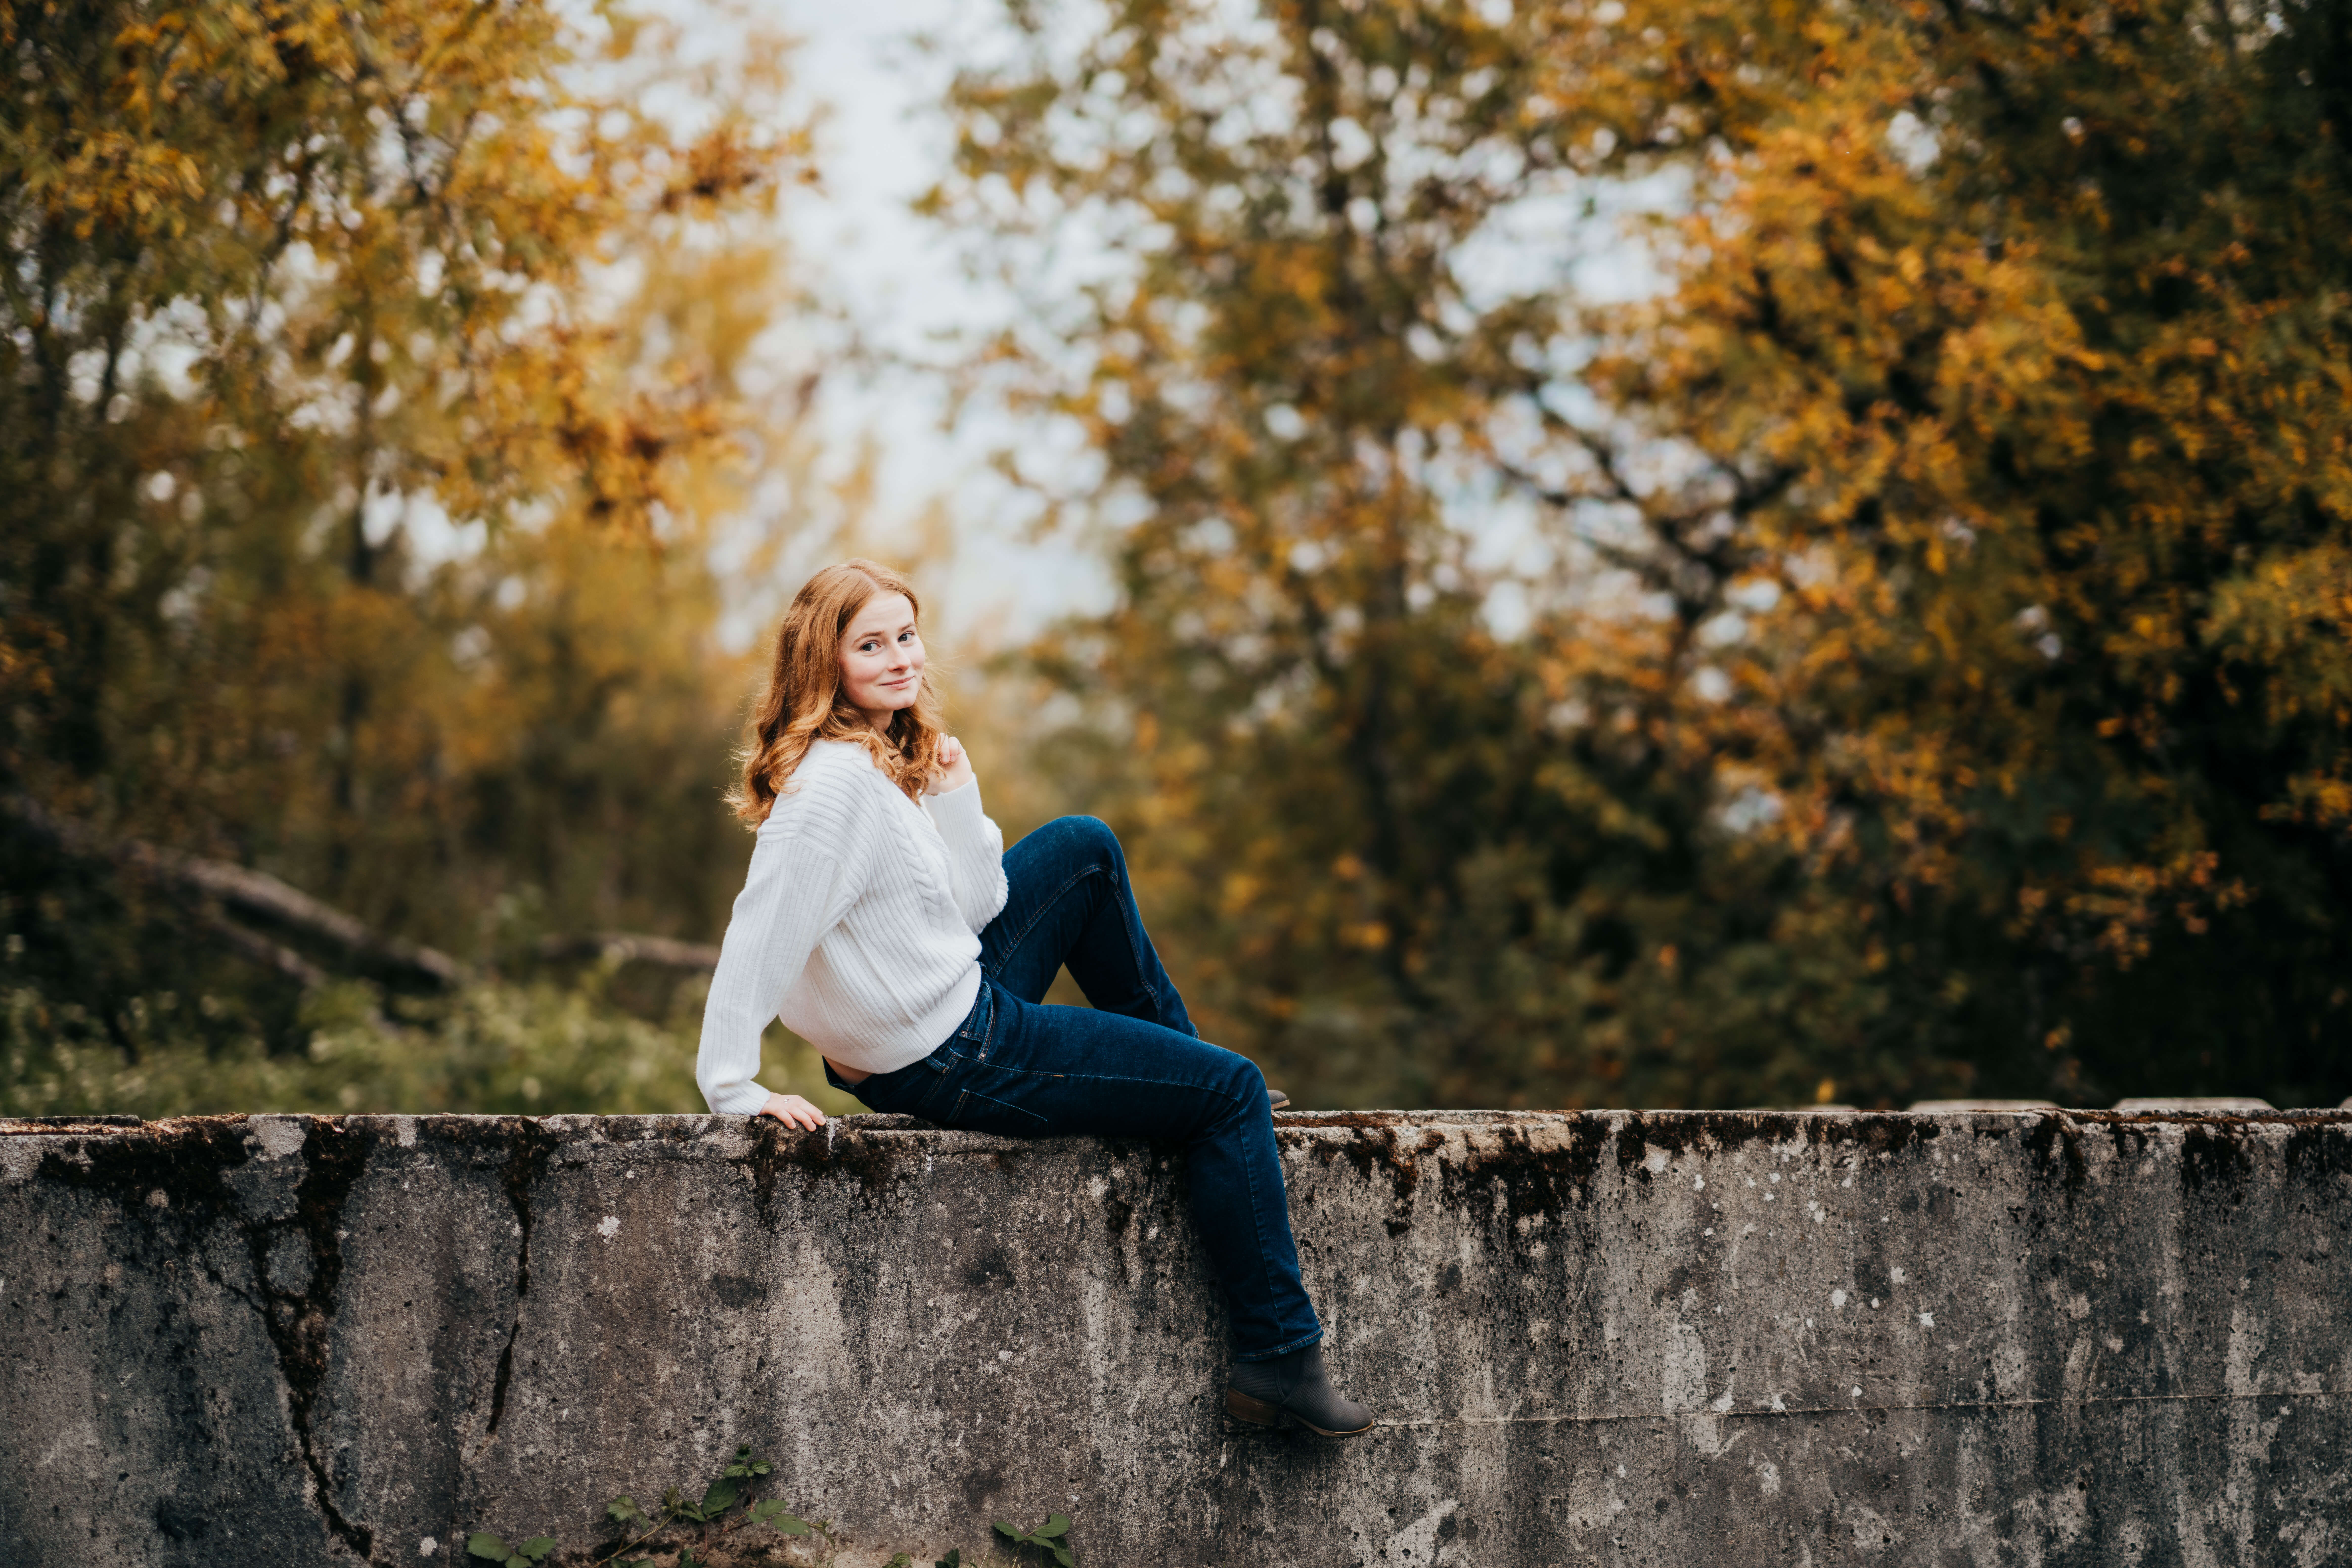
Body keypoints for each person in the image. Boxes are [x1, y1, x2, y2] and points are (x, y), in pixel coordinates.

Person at [696, 559, 1374, 1438]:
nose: (901, 659)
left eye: (907, 635)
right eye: (871, 645)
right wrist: (734, 1087)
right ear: (823, 663)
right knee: (1233, 1091)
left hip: (939, 1008)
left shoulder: (878, 761)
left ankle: (1180, 1065)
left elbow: (973, 908)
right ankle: (1278, 1365)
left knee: (1084, 850)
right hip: (954, 1050)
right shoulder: (831, 794)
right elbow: (759, 933)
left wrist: (953, 795)